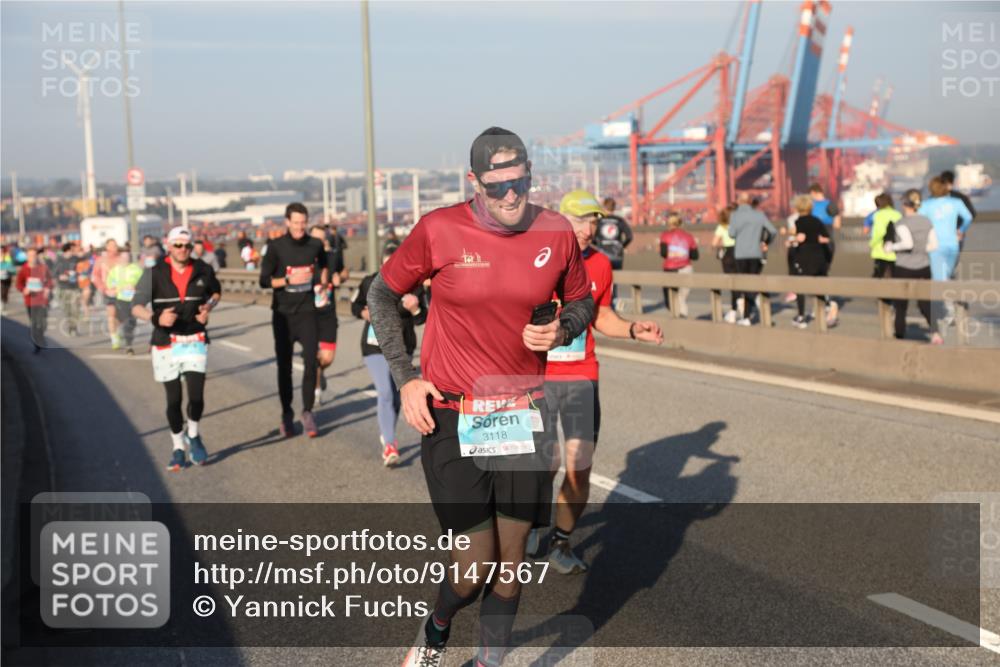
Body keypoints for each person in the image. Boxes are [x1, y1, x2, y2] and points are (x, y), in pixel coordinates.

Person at [371, 128, 593, 667]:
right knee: (473, 567)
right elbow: (381, 294)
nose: (511, 196)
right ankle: (437, 628)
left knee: (512, 561)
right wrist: (406, 377)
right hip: (450, 412)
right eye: (498, 188)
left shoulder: (556, 231)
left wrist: (561, 329)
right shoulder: (439, 229)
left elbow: (582, 301)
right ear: (475, 182)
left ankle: (489, 663)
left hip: (521, 412)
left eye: (520, 182)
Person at [530, 189, 663, 574]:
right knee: (542, 463)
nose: (589, 229)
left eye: (593, 221)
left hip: (580, 375)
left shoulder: (601, 265)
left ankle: (559, 541)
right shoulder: (534, 258)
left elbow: (602, 316)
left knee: (579, 464)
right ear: (560, 220)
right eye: (580, 221)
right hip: (535, 377)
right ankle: (533, 523)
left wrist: (634, 329)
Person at [132, 227, 222, 471]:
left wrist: (208, 308)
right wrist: (156, 318)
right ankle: (177, 446)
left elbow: (215, 292)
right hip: (165, 342)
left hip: (194, 339)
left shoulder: (203, 269)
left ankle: (193, 434)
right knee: (174, 400)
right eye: (178, 245)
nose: (183, 250)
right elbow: (136, 306)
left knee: (196, 396)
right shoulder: (154, 274)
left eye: (187, 245)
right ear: (168, 246)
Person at [351, 246, 427, 466]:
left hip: (402, 348)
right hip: (374, 346)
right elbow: (355, 305)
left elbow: (422, 318)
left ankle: (387, 432)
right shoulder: (370, 282)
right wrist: (366, 313)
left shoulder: (415, 286)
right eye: (388, 264)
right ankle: (390, 445)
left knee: (395, 397)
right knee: (384, 392)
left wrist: (414, 310)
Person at [259, 203, 329, 438]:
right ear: (287, 222)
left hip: (308, 311)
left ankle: (307, 412)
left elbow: (324, 266)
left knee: (312, 362)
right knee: (285, 367)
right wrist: (288, 280)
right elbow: (264, 280)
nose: (300, 227)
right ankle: (287, 414)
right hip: (283, 314)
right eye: (296, 223)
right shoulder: (276, 247)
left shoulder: (315, 244)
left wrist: (323, 280)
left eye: (303, 223)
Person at [885, 190, 940, 344]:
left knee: (901, 305)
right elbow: (934, 245)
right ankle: (935, 333)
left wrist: (891, 247)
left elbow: (907, 243)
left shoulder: (902, 223)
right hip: (924, 266)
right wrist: (921, 250)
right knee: (925, 303)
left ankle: (900, 335)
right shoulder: (926, 221)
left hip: (904, 267)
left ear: (904, 204)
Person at [919, 176, 973, 328]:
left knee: (939, 280)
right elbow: (968, 217)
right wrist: (961, 230)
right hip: (953, 245)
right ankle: (950, 310)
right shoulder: (955, 203)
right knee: (946, 276)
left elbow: (920, 221)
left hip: (935, 246)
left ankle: (947, 313)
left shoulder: (927, 205)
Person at [308, 224, 347, 405]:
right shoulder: (305, 260)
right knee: (314, 356)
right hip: (309, 315)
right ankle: (315, 391)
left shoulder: (333, 256)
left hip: (329, 315)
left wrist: (341, 277)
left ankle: (320, 371)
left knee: (327, 358)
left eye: (323, 238)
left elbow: (343, 270)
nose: (320, 242)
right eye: (316, 238)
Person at [728, 192, 777, 326]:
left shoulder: (735, 215)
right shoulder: (759, 215)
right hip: (756, 254)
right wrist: (765, 242)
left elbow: (731, 234)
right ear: (750, 201)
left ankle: (748, 314)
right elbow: (773, 231)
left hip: (740, 254)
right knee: (753, 283)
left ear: (739, 201)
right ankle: (748, 315)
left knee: (744, 284)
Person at [787, 194, 831, 328]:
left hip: (803, 256)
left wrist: (794, 239)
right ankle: (821, 313)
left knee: (800, 286)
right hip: (819, 256)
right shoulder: (817, 221)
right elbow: (826, 238)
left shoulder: (797, 222)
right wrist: (817, 239)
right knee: (819, 286)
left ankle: (801, 316)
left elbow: (795, 237)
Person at [809, 183, 841, 326]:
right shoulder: (831, 205)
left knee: (816, 274)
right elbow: (837, 225)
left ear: (814, 192)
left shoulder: (811, 206)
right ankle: (823, 304)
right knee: (822, 273)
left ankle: (828, 304)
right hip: (829, 242)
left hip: (816, 244)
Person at [658, 212, 699, 318]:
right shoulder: (689, 236)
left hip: (670, 268)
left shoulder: (665, 235)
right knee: (682, 297)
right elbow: (695, 256)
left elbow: (663, 253)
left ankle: (677, 317)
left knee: (671, 298)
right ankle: (682, 315)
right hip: (686, 268)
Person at [594, 197, 633, 306]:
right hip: (617, 255)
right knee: (615, 280)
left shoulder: (599, 220)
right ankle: (614, 301)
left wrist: (598, 245)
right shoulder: (620, 221)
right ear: (614, 207)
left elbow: (592, 237)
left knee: (602, 280)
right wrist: (622, 246)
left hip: (602, 254)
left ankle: (604, 304)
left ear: (604, 207)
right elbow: (629, 236)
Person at [15, 247, 53, 353]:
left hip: (42, 299)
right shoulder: (23, 269)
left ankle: (40, 336)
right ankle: (37, 341)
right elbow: (18, 284)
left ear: (37, 256)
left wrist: (47, 288)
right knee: (34, 322)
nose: (32, 257)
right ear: (27, 257)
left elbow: (49, 281)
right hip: (30, 300)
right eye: (30, 255)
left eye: (34, 255)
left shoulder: (43, 268)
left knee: (43, 322)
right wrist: (24, 289)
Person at [107, 248, 144, 355]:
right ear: (120, 258)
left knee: (132, 322)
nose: (125, 259)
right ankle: (129, 346)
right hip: (121, 299)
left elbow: (144, 282)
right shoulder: (115, 270)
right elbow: (110, 283)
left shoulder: (136, 269)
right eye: (123, 257)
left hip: (134, 299)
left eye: (127, 257)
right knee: (126, 321)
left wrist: (135, 287)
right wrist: (118, 288)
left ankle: (127, 339)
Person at [91, 239, 122, 347]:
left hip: (123, 291)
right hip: (108, 291)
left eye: (116, 245)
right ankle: (114, 337)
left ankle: (118, 331)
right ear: (107, 247)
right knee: (111, 314)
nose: (114, 247)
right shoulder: (101, 260)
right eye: (112, 245)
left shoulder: (122, 258)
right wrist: (102, 287)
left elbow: (130, 273)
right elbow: (95, 275)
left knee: (123, 315)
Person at [710, 208, 739, 322]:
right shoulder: (736, 226)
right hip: (738, 252)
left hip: (727, 255)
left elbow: (714, 243)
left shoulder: (721, 227)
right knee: (740, 280)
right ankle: (740, 303)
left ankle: (733, 311)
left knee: (731, 282)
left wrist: (721, 244)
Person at [54, 242, 82, 335]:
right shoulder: (59, 260)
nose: (74, 251)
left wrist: (78, 275)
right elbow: (53, 273)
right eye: (72, 250)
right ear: (67, 250)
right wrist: (59, 277)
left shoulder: (76, 259)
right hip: (63, 288)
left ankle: (74, 327)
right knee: (67, 309)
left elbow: (82, 269)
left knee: (76, 309)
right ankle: (70, 326)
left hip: (75, 288)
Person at [869, 193, 899, 279]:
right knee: (894, 277)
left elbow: (879, 232)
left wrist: (872, 243)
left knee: (878, 277)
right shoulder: (897, 214)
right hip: (895, 251)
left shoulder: (879, 215)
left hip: (880, 251)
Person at [2, 245, 15, 313]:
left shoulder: (7, 256)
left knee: (5, 291)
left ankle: (4, 301)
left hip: (7, 277)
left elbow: (10, 265)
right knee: (1, 290)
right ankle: (1, 303)